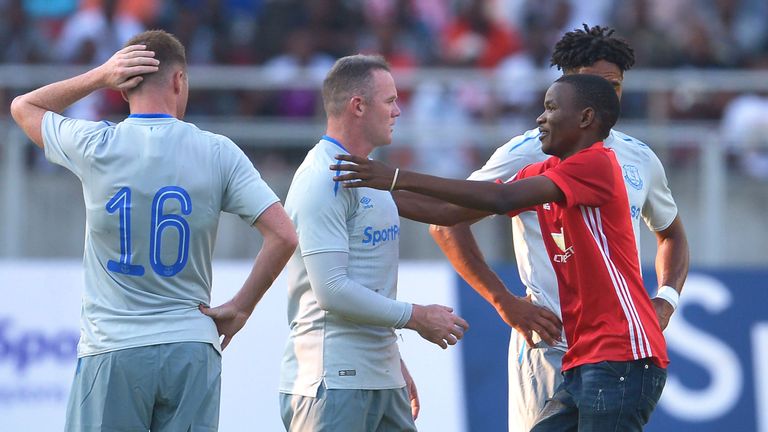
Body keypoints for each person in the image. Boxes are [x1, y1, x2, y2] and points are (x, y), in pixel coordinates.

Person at [333, 73, 670, 431]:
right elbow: (448, 214)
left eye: (551, 108)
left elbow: (500, 198)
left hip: (623, 356)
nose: (540, 117)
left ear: (586, 118)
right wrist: (371, 192)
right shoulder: (545, 173)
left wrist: (396, 177)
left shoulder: (597, 165)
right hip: (586, 356)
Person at [10, 30, 297, 431]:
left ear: (125, 86)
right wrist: (242, 307)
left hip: (113, 347)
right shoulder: (218, 151)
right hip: (190, 345)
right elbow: (284, 235)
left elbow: (24, 107)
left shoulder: (95, 143)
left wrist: (99, 76)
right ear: (179, 81)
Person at [430, 24, 690, 431]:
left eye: (617, 85)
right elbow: (447, 223)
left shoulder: (638, 158)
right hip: (547, 343)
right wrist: (504, 301)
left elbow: (670, 233)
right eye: (599, 83)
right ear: (568, 85)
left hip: (612, 349)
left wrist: (667, 299)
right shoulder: (527, 151)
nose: (611, 96)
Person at [279, 54, 469, 432]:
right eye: (390, 100)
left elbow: (367, 277)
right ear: (358, 106)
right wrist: (416, 316)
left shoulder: (370, 173)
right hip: (332, 382)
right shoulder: (323, 177)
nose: (398, 111)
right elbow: (331, 291)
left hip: (381, 377)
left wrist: (391, 360)